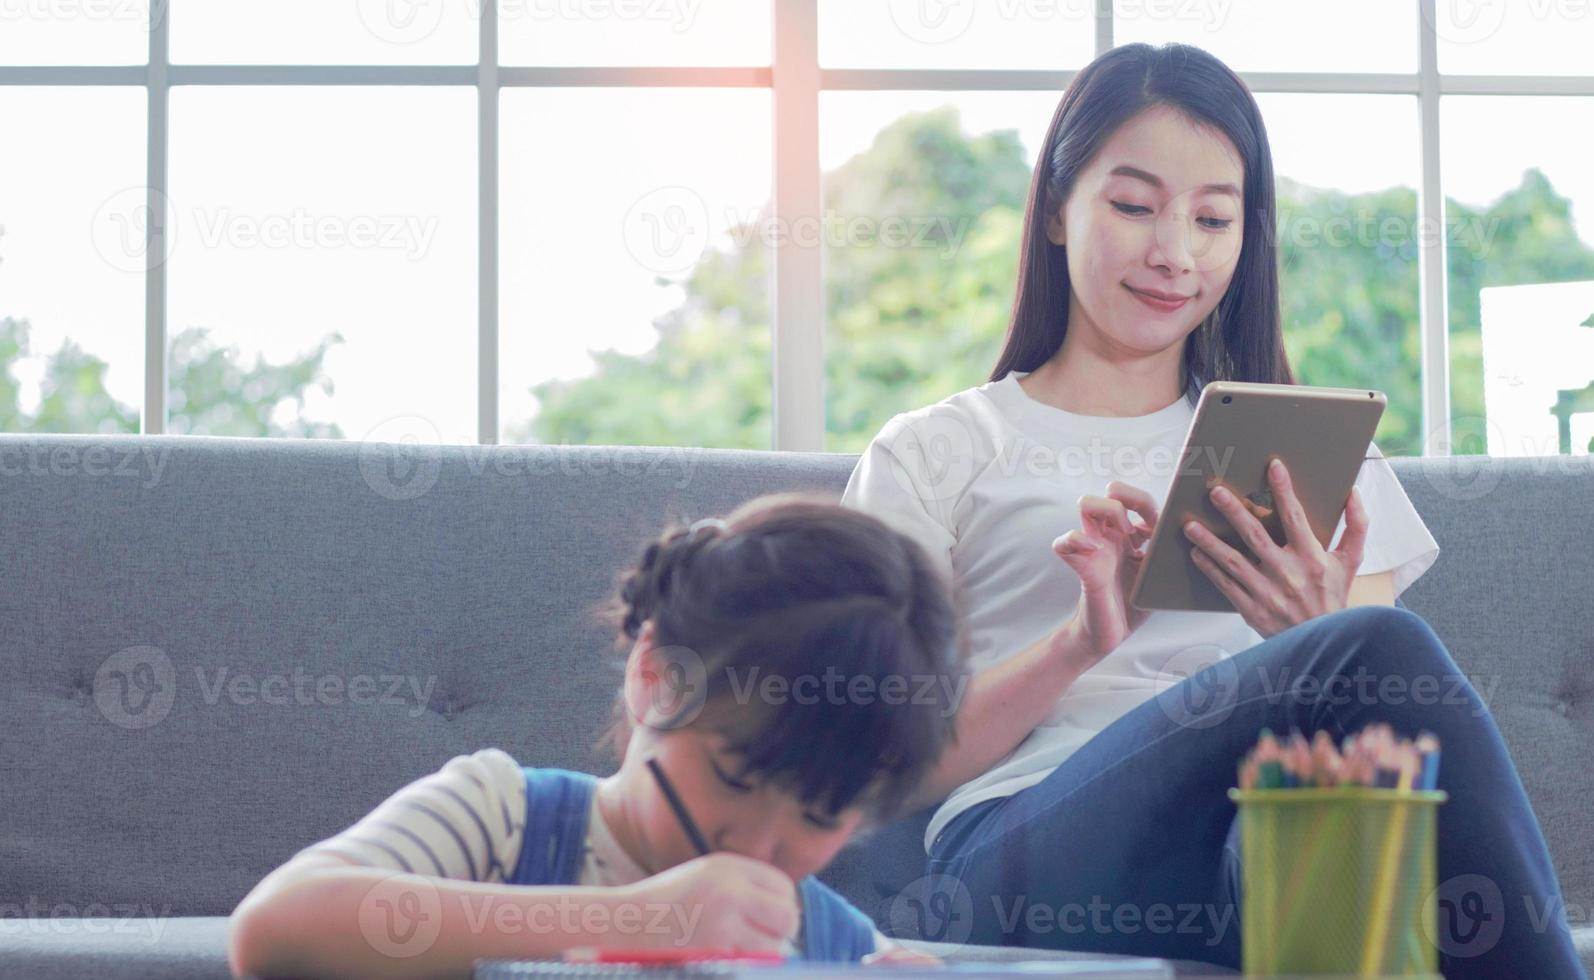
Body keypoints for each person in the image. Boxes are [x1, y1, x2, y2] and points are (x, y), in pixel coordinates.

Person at [842, 41, 1585, 978]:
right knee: (1370, 648)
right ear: (1057, 212)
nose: (1175, 254)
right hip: (1025, 857)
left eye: (1214, 218)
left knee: (1363, 663)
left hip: (1271, 839)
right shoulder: (933, 452)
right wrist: (1081, 637)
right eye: (1134, 206)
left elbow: (1400, 744)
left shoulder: (1307, 451)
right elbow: (879, 766)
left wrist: (1316, 628)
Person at [227, 494, 964, 980]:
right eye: (735, 777)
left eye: (819, 815)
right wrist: (644, 920)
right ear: (654, 676)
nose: (758, 846)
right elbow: (276, 930)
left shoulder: (833, 945)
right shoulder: (503, 822)